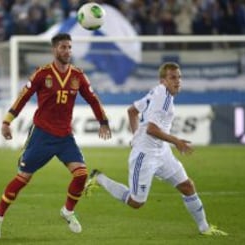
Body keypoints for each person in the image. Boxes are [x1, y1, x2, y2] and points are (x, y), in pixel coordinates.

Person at [0, 33, 112, 239]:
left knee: (81, 174)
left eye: (69, 47)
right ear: (54, 50)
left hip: (64, 136)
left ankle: (68, 211)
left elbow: (93, 99)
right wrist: (6, 121)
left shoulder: (78, 76)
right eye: (63, 47)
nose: (67, 51)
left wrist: (103, 121)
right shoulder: (42, 74)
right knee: (22, 178)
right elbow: (22, 97)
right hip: (42, 135)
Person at [84, 62, 228, 236]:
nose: (178, 81)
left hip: (162, 152)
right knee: (136, 202)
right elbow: (152, 129)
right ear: (163, 81)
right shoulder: (164, 98)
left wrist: (136, 135)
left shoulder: (157, 91)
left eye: (179, 77)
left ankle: (205, 228)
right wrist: (176, 141)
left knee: (187, 186)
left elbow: (131, 111)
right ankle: (99, 178)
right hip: (145, 155)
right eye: (173, 78)